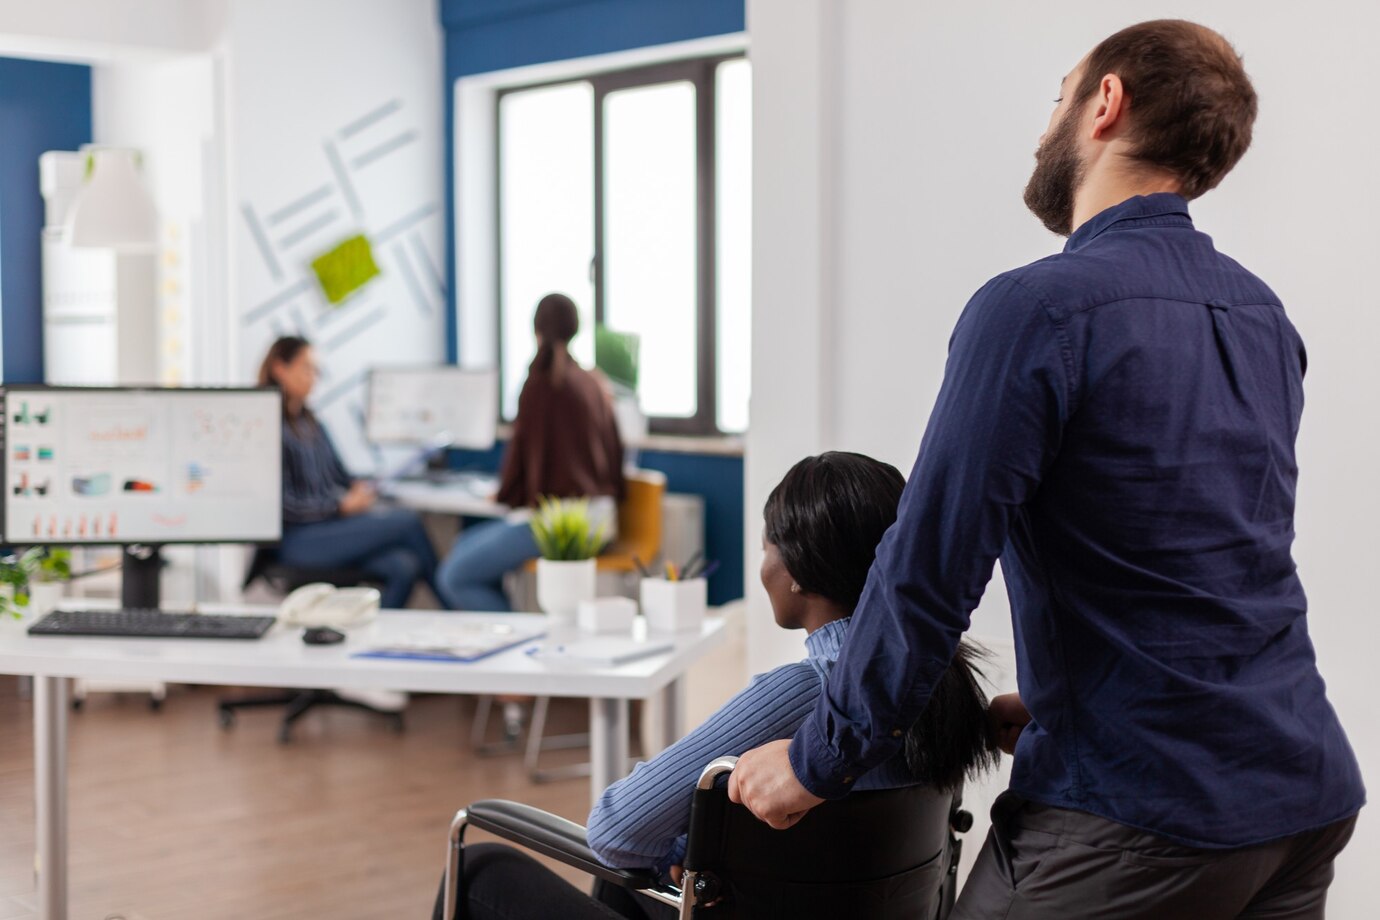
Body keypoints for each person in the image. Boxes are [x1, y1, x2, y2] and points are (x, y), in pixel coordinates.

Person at [728, 20, 1365, 919]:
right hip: (1299, 796)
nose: (1043, 129)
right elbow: (1215, 559)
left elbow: (929, 566)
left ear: (1105, 102)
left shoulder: (1036, 309)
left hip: (1137, 815)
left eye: (1058, 95)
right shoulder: (1262, 314)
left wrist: (817, 759)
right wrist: (1072, 689)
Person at [431, 452, 998, 919]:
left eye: (766, 547)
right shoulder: (943, 683)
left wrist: (677, 850)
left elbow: (614, 831)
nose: (763, 565)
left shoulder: (804, 695)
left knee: (482, 863)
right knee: (625, 883)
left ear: (797, 570)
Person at [436, 293, 624, 612]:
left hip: (564, 523)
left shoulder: (541, 384)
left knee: (455, 576)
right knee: (462, 545)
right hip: (599, 518)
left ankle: (511, 638)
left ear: (536, 330)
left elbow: (523, 458)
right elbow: (615, 455)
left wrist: (504, 495)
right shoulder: (593, 382)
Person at [261, 336, 441, 609]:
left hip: (328, 528)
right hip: (298, 540)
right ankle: (457, 607)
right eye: (306, 368)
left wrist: (359, 487)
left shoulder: (311, 423)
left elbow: (340, 475)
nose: (314, 377)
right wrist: (339, 507)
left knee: (403, 566)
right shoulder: (268, 425)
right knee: (407, 522)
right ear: (279, 368)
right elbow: (282, 505)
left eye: (316, 370)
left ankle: (373, 645)